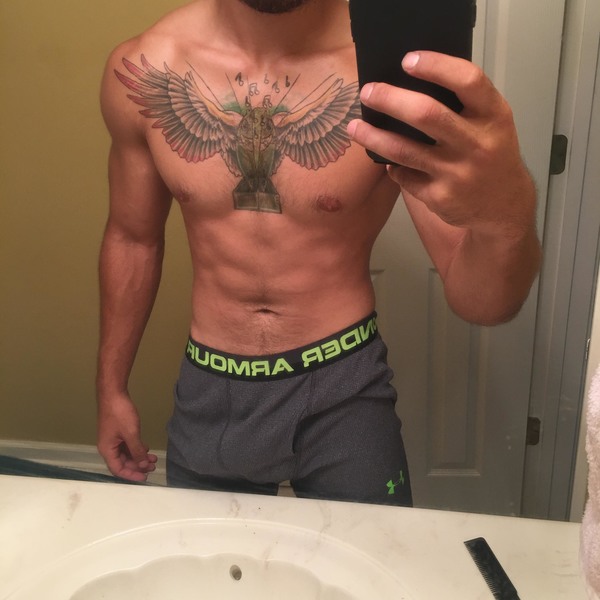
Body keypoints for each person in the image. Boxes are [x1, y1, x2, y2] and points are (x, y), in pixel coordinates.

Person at [96, 0, 541, 506]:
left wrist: (507, 215)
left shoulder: (389, 74)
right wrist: (111, 388)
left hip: (344, 387)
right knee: (209, 557)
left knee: (370, 556)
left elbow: (484, 302)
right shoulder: (147, 67)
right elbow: (132, 238)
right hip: (212, 387)